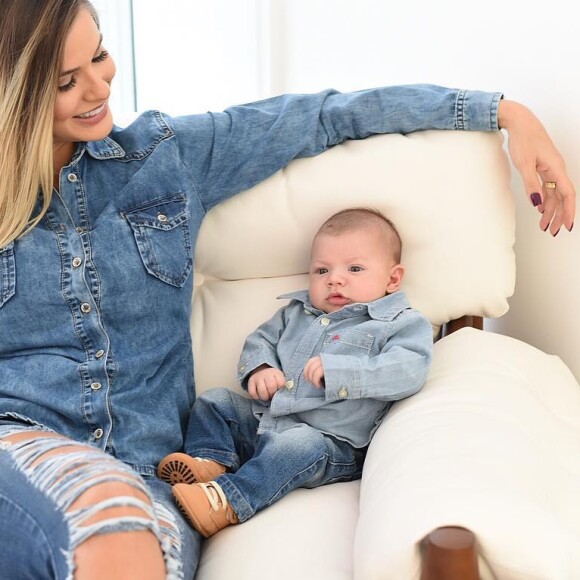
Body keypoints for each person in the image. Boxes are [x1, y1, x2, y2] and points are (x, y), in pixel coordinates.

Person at [0, 0, 575, 578]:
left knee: (119, 538)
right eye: (67, 82)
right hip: (17, 453)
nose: (100, 85)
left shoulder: (164, 156)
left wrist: (502, 111)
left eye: (100, 55)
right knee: (96, 506)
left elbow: (324, 117)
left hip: (150, 481)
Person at [157, 207, 434, 537]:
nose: (334, 278)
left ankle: (227, 501)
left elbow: (408, 371)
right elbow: (261, 340)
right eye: (321, 270)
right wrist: (260, 368)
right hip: (266, 420)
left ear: (392, 278)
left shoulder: (399, 324)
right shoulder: (296, 313)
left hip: (330, 443)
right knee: (214, 402)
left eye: (355, 268)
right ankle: (209, 461)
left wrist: (342, 373)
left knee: (296, 445)